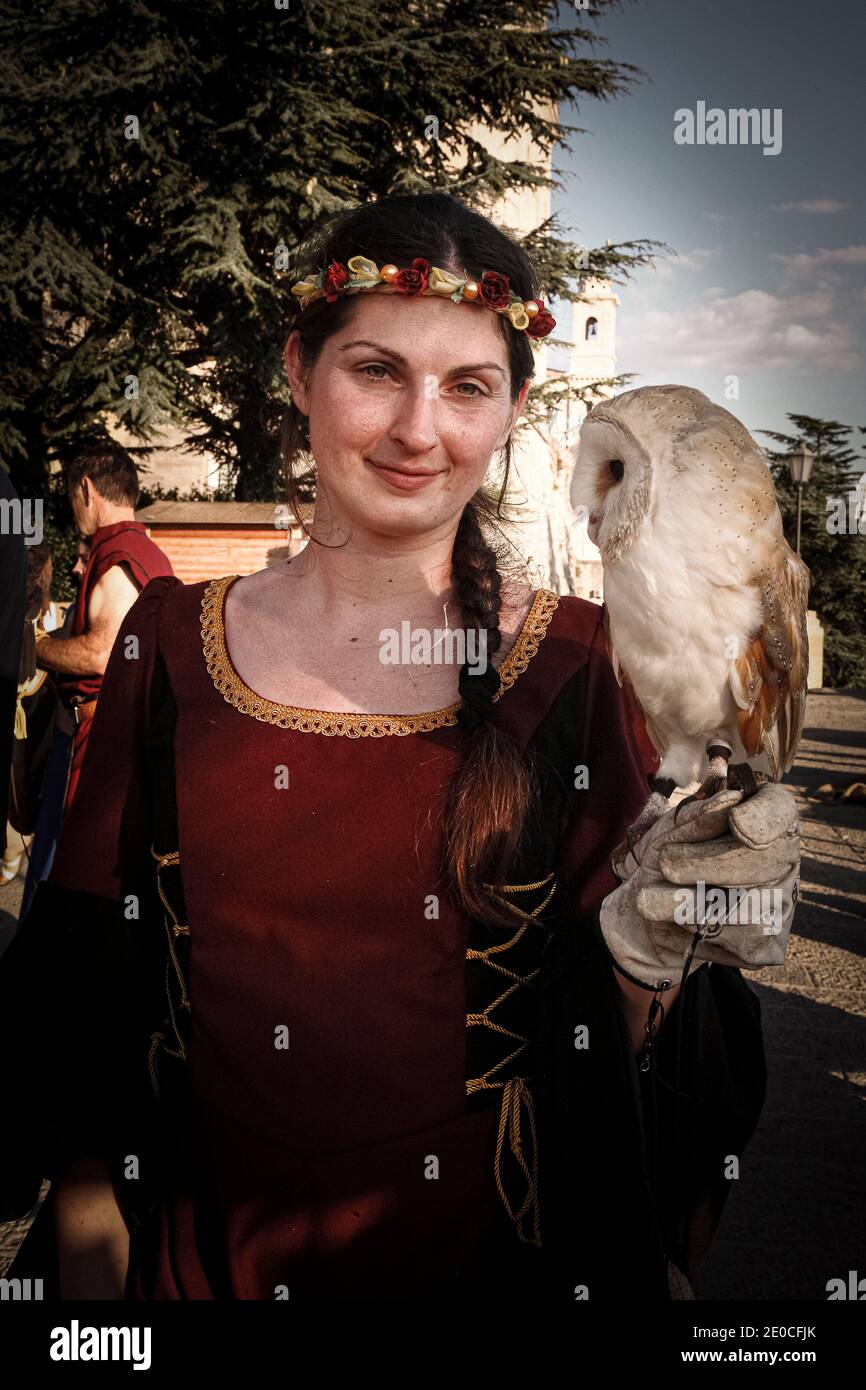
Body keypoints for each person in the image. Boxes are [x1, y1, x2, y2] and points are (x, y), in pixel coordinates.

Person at [0, 191, 800, 1303]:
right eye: (375, 370)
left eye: (467, 386)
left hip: (481, 1269)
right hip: (193, 1263)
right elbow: (90, 952)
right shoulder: (171, 643)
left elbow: (613, 1022)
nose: (419, 429)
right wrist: (88, 1195)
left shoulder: (578, 661)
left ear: (512, 408)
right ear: (299, 371)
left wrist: (674, 931)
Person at [34, 442, 174, 815]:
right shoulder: (146, 551)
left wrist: (32, 646)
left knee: (85, 867)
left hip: (106, 741)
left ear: (86, 489)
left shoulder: (119, 555)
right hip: (120, 733)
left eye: (72, 497)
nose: (73, 508)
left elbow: (101, 655)